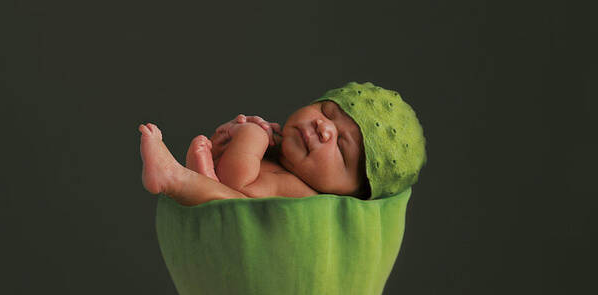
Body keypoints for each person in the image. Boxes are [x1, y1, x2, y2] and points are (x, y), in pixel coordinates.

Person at [139, 82, 426, 206]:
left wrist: (253, 136)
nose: (324, 128)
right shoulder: (281, 158)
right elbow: (234, 168)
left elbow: (237, 183)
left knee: (234, 204)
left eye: (341, 147)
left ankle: (175, 179)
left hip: (236, 206)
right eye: (327, 112)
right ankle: (200, 178)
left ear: (355, 192)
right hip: (224, 193)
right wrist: (230, 136)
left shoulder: (310, 200)